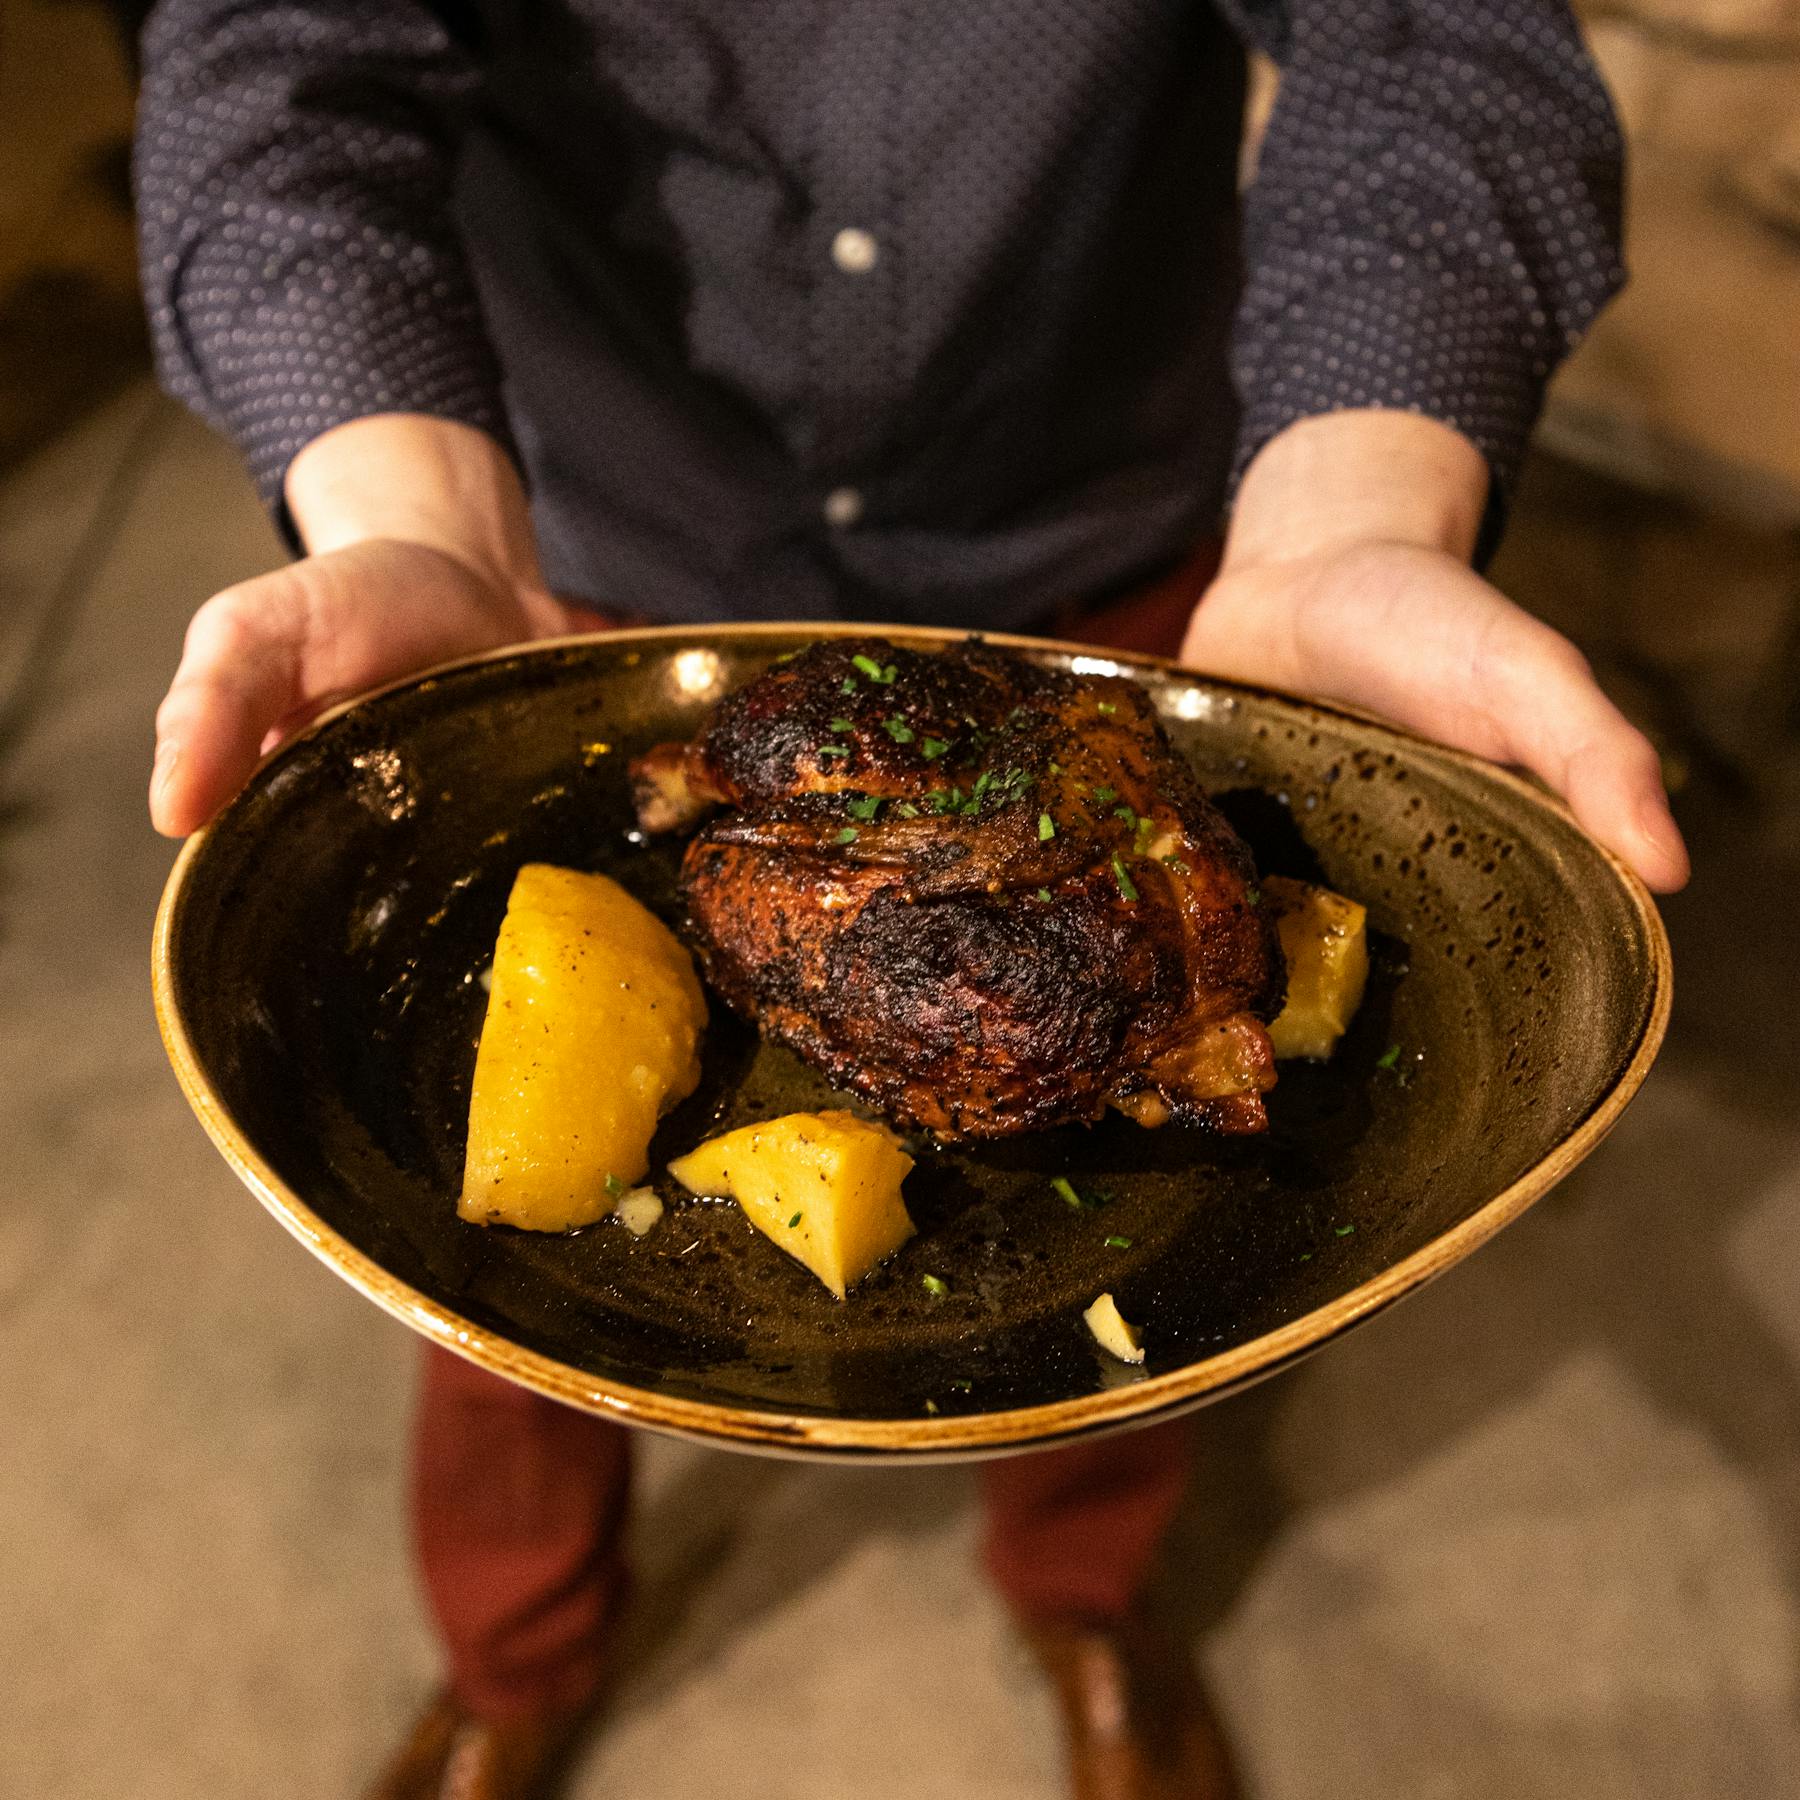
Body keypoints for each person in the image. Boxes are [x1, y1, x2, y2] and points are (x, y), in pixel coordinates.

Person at [134, 4, 1690, 1797]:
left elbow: (1433, 34)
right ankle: (516, 1651)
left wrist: (1365, 506)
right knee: (486, 1246)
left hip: (1115, 594)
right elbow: (276, 50)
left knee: (1151, 1284)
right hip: (582, 575)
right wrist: (399, 495)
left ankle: (1087, 1603)